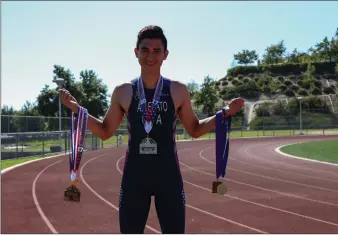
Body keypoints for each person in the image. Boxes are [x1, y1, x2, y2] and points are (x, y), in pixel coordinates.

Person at [59, 25, 244, 234]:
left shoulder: (178, 90)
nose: (150, 56)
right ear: (136, 52)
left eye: (157, 51)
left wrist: (224, 113)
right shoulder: (123, 91)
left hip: (169, 178)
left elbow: (195, 129)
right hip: (134, 179)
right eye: (145, 50)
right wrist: (77, 110)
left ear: (165, 55)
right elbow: (105, 131)